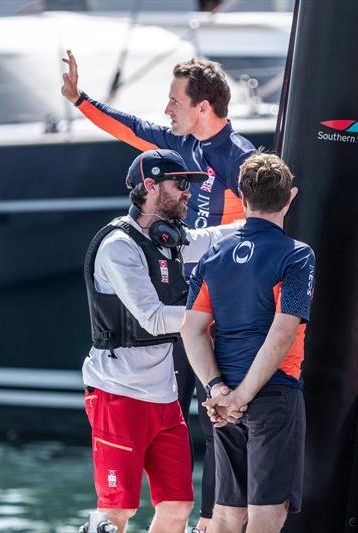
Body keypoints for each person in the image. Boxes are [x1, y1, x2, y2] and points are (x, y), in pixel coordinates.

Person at [62, 49, 256, 530]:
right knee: (120, 506)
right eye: (179, 187)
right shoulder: (170, 151)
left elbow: (245, 222)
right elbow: (127, 128)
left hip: (210, 303)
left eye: (175, 100)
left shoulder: (240, 158)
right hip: (178, 319)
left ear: (203, 106)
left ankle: (212, 517)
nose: (167, 110)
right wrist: (79, 99)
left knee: (219, 417)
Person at [82, 148, 241, 533]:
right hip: (118, 393)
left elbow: (211, 238)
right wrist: (222, 313)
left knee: (177, 505)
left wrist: (259, 221)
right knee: (115, 513)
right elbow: (153, 318)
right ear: (150, 186)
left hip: (163, 396)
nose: (189, 193)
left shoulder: (168, 239)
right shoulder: (119, 246)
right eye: (180, 184)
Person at [181, 153, 316, 533]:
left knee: (225, 513)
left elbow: (192, 330)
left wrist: (218, 389)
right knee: (266, 516)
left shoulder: (213, 255)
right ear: (291, 197)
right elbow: (282, 332)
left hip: (222, 403)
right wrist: (241, 396)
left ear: (242, 196)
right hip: (273, 396)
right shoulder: (297, 255)